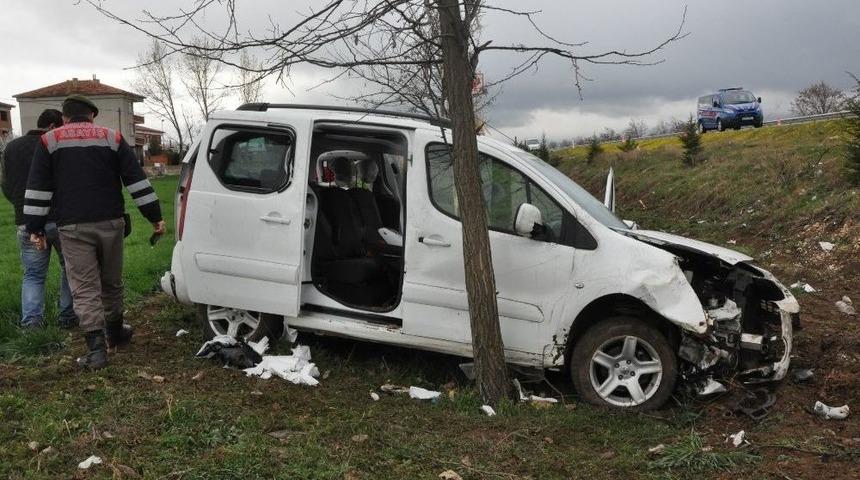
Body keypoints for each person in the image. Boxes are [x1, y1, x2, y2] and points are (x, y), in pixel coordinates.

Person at [23, 95, 165, 370]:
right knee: (111, 281)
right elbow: (136, 180)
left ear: (64, 117)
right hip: (111, 223)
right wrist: (155, 217)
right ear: (92, 116)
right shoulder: (112, 138)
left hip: (73, 226)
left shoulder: (49, 141)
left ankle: (96, 349)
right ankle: (116, 333)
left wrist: (35, 227)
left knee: (85, 286)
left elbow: (38, 188)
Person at [1, 109, 78, 329]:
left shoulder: (11, 148)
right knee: (69, 268)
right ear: (53, 127)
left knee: (33, 274)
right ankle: (68, 317)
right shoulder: (55, 145)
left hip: (26, 222)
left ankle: (32, 324)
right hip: (60, 220)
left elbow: (5, 185)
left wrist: (20, 205)